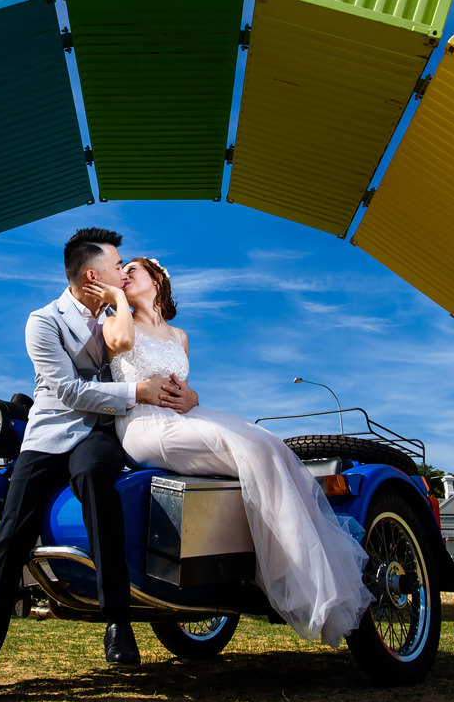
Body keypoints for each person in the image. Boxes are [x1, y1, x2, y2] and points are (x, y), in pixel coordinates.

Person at [0, 228, 198, 702]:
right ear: (92, 274)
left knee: (98, 480)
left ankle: (117, 619)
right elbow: (66, 392)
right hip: (48, 437)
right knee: (8, 542)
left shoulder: (120, 313)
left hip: (99, 435)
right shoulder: (43, 321)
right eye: (118, 265)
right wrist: (136, 393)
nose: (124, 272)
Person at [86, 256, 373, 647]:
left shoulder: (181, 336)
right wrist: (117, 297)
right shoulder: (118, 321)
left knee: (268, 443)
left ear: (156, 280)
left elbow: (184, 389)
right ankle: (292, 575)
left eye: (130, 271)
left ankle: (294, 566)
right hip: (144, 425)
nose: (122, 276)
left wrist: (193, 395)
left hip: (186, 418)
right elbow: (118, 345)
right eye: (121, 274)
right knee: (251, 450)